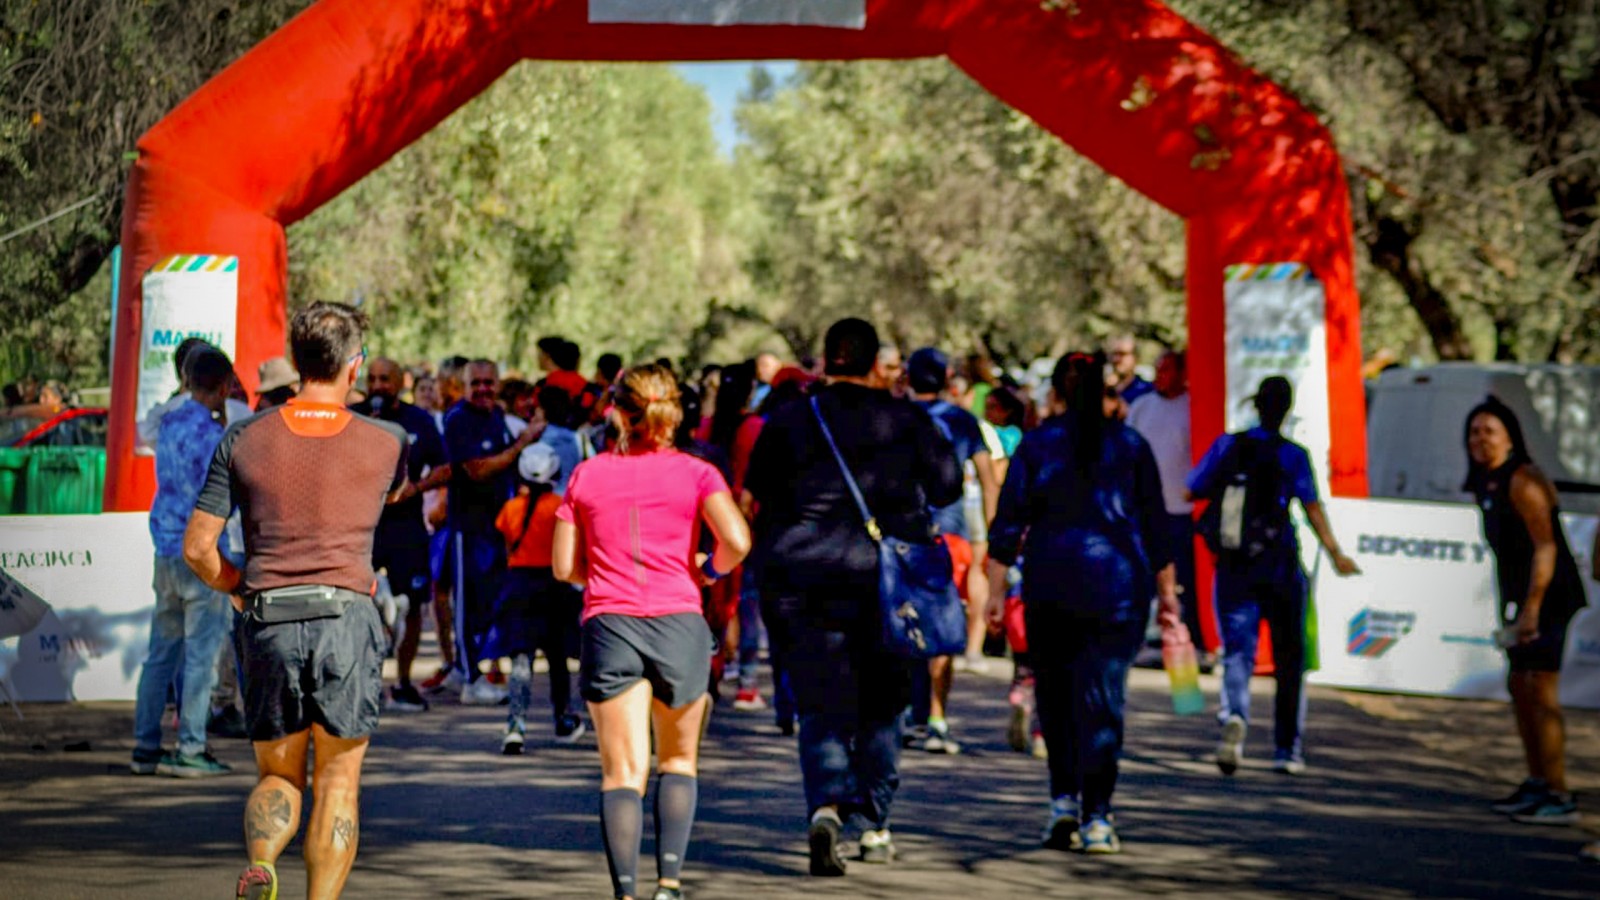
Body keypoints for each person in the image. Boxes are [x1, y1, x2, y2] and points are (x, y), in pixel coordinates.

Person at [183, 302, 408, 900]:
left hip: (268, 617)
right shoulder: (386, 442)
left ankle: (262, 860)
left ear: (298, 359)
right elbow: (393, 500)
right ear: (354, 366)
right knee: (338, 785)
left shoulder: (245, 437)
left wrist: (237, 588)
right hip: (345, 618)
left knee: (279, 774)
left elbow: (199, 549)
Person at [744, 319, 961, 875]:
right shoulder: (909, 418)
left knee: (819, 703)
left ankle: (825, 808)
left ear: (826, 359)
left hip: (800, 580)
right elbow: (947, 486)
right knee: (885, 704)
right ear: (873, 364)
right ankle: (874, 817)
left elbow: (757, 495)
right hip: (885, 584)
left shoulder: (789, 420)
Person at [553, 363, 751, 900]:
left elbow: (562, 565)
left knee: (622, 773)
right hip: (680, 622)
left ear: (616, 411)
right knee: (680, 761)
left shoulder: (587, 475)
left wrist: (599, 573)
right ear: (675, 412)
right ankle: (668, 883)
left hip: (610, 623)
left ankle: (624, 891)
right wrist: (706, 571)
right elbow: (737, 541)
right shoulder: (697, 472)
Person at [982, 351, 1177, 855]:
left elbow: (1007, 525)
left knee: (1057, 698)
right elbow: (1158, 529)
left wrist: (997, 593)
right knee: (1104, 700)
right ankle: (1099, 816)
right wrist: (1170, 601)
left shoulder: (1038, 445)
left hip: (1052, 583)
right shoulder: (1131, 446)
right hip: (1117, 588)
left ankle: (1063, 803)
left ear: (1058, 393)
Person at [1188, 375, 1360, 778]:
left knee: (1238, 652)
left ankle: (1236, 717)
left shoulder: (1228, 446)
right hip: (1281, 565)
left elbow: (1192, 488)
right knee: (1289, 659)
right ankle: (1287, 748)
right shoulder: (1293, 455)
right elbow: (1312, 507)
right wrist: (1336, 554)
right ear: (1286, 409)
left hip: (1234, 566)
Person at [1466, 397, 1588, 825]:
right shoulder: (1486, 481)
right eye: (1475, 432)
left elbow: (1546, 547)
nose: (1481, 440)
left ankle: (1560, 793)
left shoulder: (1524, 480)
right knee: (1519, 685)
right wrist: (1509, 609)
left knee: (1541, 689)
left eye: (1490, 431)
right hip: (1521, 599)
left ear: (1510, 436)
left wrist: (1533, 608)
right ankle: (1537, 781)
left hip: (1551, 596)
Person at [130, 346, 240, 779]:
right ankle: (191, 747)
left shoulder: (170, 423)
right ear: (224, 385)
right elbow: (220, 498)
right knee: (201, 655)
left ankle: (146, 746)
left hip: (165, 549)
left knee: (161, 652)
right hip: (202, 552)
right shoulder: (215, 436)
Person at [903, 348, 999, 754]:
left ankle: (909, 714)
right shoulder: (963, 421)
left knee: (904, 623)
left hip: (901, 535)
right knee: (942, 627)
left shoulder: (896, 417)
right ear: (946, 377)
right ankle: (938, 718)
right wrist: (996, 535)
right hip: (951, 535)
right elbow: (987, 479)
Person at [352, 357, 450, 712]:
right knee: (356, 603)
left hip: (406, 528)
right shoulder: (354, 415)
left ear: (400, 382)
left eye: (385, 379)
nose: (378, 386)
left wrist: (418, 488)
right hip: (362, 526)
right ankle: (362, 681)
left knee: (412, 605)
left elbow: (445, 467)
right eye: (373, 378)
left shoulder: (419, 420)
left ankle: (404, 681)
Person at [444, 359, 540, 704]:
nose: (483, 389)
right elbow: (476, 469)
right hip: (468, 526)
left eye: (489, 382)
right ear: (464, 385)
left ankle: (468, 669)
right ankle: (470, 679)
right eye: (477, 383)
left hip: (497, 526)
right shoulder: (459, 419)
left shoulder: (497, 417)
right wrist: (521, 446)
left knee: (489, 601)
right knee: (467, 603)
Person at [492, 443, 585, 753]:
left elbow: (507, 549)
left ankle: (515, 724)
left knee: (521, 658)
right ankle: (562, 718)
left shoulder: (510, 509)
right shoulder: (560, 507)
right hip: (554, 586)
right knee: (558, 659)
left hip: (519, 587)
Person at [1125, 351, 1208, 665]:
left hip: (1182, 511)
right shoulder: (1142, 407)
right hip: (1143, 511)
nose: (1161, 374)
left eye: (1168, 369)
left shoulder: (1192, 408)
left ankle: (1190, 646)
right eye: (1158, 369)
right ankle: (1141, 642)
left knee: (1184, 579)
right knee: (1142, 579)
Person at [1106, 335, 1152, 407]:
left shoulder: (1147, 391)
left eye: (1122, 354)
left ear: (1135, 358)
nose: (1116, 359)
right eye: (1114, 354)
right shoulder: (1103, 390)